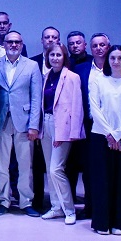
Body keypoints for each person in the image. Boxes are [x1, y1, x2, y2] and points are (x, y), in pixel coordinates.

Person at [88, 44, 121, 236]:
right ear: (108, 60)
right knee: (102, 180)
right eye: (112, 58)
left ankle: (119, 223)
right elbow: (95, 108)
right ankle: (102, 223)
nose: (116, 61)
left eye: (120, 58)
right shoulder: (98, 80)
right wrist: (109, 134)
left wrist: (118, 135)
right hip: (101, 136)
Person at [0, 31, 42, 217]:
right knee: (0, 166)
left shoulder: (32, 65)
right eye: (10, 42)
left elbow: (36, 98)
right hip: (0, 119)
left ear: (22, 44)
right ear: (3, 44)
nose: (13, 45)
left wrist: (34, 125)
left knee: (25, 165)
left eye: (17, 42)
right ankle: (3, 200)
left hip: (24, 122)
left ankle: (26, 202)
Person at [39, 43, 85, 225]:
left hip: (63, 127)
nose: (55, 58)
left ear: (64, 57)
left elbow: (77, 106)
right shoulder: (46, 76)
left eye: (59, 55)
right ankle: (56, 207)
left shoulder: (72, 77)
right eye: (52, 55)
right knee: (49, 170)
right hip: (47, 124)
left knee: (56, 169)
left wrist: (73, 132)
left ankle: (69, 209)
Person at [72, 32, 110, 219]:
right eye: (95, 45)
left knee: (109, 168)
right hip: (88, 124)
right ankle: (90, 207)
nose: (99, 48)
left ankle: (108, 208)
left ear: (108, 47)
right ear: (90, 48)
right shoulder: (81, 68)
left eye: (102, 45)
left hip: (111, 127)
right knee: (88, 168)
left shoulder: (116, 67)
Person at [29, 26, 61, 214]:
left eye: (54, 37)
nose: (50, 40)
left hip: (56, 120)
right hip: (35, 118)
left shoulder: (65, 63)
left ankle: (59, 202)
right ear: (42, 40)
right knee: (36, 163)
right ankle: (37, 200)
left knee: (55, 164)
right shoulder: (32, 62)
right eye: (47, 37)